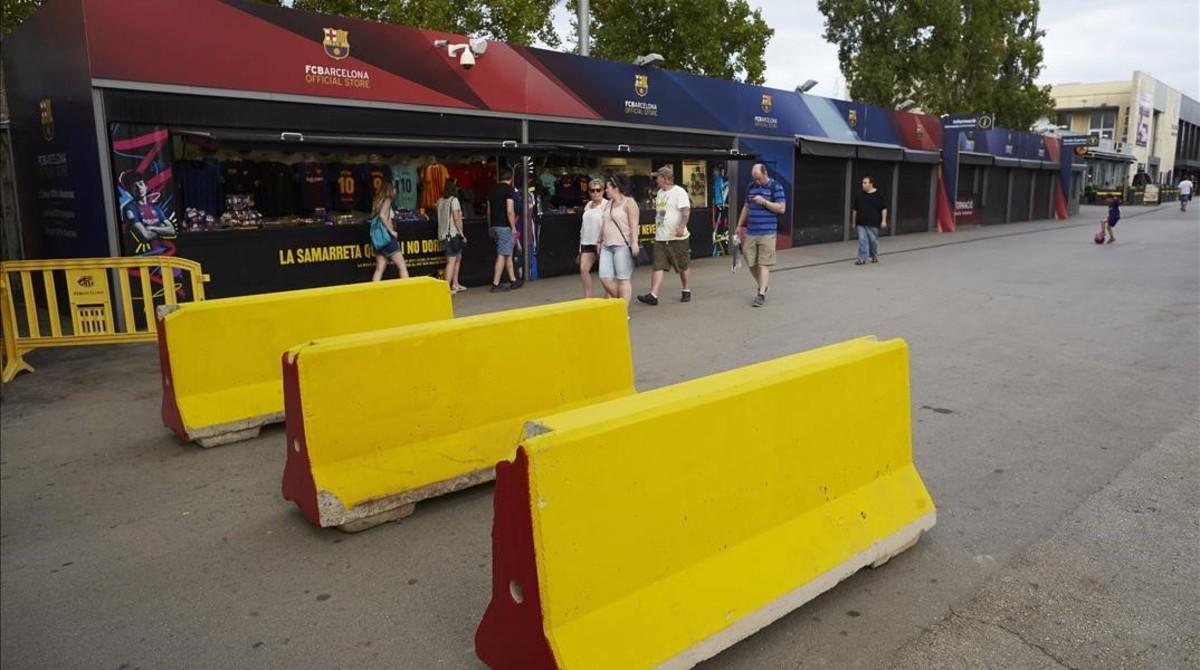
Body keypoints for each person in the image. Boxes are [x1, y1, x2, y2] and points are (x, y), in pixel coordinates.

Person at [638, 165, 692, 305]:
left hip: (677, 237)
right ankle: (653, 295)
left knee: (682, 265)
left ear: (665, 178)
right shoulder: (660, 193)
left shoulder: (679, 192)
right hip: (661, 236)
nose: (656, 180)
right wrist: (660, 223)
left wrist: (681, 227)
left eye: (658, 177)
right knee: (658, 265)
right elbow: (662, 211)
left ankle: (686, 289)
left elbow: (686, 211)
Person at [735, 164, 787, 307]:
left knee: (763, 263)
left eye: (758, 178)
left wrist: (764, 202)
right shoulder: (750, 186)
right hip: (752, 231)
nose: (756, 181)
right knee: (750, 260)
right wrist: (739, 225)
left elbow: (781, 208)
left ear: (765, 173)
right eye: (754, 178)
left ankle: (761, 294)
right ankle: (762, 285)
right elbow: (746, 206)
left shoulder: (776, 187)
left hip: (768, 231)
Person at [599, 176, 640, 308]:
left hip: (622, 245)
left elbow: (634, 225)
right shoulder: (608, 204)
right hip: (606, 244)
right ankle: (620, 302)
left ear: (616, 188)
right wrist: (599, 240)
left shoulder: (629, 203)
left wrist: (634, 243)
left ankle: (623, 309)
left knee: (623, 278)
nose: (606, 190)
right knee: (604, 277)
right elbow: (604, 223)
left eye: (608, 187)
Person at [486, 168, 523, 292]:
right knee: (502, 254)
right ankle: (495, 284)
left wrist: (490, 226)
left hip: (495, 225)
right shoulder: (509, 190)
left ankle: (513, 280)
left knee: (507, 253)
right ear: (510, 178)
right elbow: (510, 210)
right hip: (504, 226)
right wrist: (513, 227)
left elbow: (489, 211)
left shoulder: (492, 190)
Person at [370, 182, 410, 281]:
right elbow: (382, 216)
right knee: (402, 266)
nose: (396, 192)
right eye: (395, 189)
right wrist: (391, 231)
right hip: (387, 238)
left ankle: (373, 292)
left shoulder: (377, 200)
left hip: (378, 240)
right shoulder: (387, 200)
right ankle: (408, 291)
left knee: (379, 268)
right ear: (390, 190)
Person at [437, 177, 467, 293]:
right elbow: (456, 218)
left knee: (457, 258)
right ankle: (447, 288)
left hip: (443, 235)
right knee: (451, 261)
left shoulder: (440, 201)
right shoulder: (454, 200)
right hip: (453, 235)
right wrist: (462, 234)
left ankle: (455, 284)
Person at [851, 176, 888, 265]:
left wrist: (883, 221)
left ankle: (873, 255)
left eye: (865, 183)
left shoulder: (879, 195)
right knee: (862, 239)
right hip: (861, 222)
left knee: (873, 241)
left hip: (873, 223)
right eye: (862, 182)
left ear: (871, 184)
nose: (863, 184)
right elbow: (855, 210)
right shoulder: (859, 195)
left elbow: (884, 208)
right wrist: (853, 222)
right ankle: (862, 258)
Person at [578, 178, 605, 298]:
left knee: (605, 273)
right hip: (586, 242)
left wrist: (602, 241)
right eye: (592, 190)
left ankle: (609, 297)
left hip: (601, 242)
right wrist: (579, 247)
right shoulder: (588, 205)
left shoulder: (606, 205)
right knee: (584, 269)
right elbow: (583, 227)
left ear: (603, 191)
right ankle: (588, 297)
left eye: (598, 190)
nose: (595, 193)